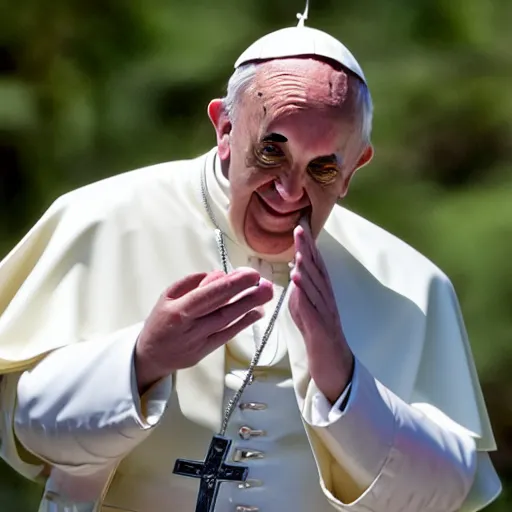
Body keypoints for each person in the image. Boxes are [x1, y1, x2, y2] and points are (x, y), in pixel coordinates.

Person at [0, 8, 502, 512]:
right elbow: (27, 434)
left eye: (324, 167)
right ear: (224, 128)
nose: (289, 191)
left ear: (355, 167)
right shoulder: (101, 219)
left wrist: (343, 380)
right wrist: (141, 359)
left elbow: (446, 493)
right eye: (271, 152)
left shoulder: (408, 282)